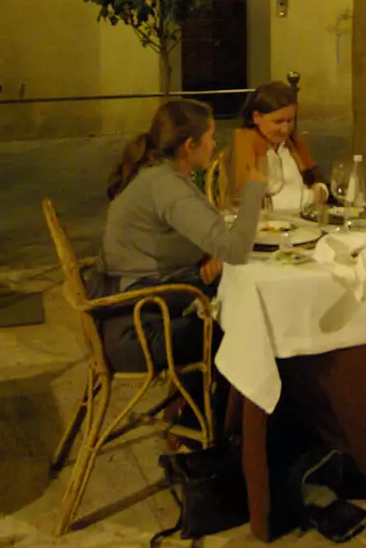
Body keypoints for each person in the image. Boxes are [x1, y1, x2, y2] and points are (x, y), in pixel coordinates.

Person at [93, 99, 264, 372]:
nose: (214, 144)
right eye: (210, 137)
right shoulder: (166, 185)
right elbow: (236, 251)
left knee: (237, 296)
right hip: (138, 333)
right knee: (252, 326)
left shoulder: (154, 173)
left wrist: (205, 253)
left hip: (129, 313)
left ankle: (201, 409)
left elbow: (161, 238)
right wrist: (255, 189)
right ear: (189, 145)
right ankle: (237, 412)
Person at [230, 80, 328, 214]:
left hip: (301, 221)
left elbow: (318, 180)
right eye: (278, 121)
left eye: (290, 120)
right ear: (257, 117)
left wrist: (319, 191)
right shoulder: (245, 140)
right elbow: (247, 199)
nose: (285, 129)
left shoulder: (292, 142)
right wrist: (310, 197)